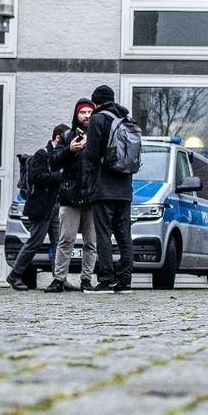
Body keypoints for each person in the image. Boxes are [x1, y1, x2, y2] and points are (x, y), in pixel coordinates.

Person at [77, 85, 138, 294]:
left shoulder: (98, 118)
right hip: (125, 187)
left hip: (103, 186)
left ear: (96, 102)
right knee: (124, 235)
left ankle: (105, 280)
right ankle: (125, 281)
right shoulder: (126, 119)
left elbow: (92, 154)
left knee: (103, 234)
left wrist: (85, 150)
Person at [48, 97, 101, 292]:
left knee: (91, 242)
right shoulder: (67, 135)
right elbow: (53, 162)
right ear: (76, 115)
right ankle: (59, 278)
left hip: (92, 196)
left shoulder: (98, 136)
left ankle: (86, 279)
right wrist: (69, 150)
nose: (87, 116)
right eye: (83, 112)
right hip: (70, 196)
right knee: (66, 239)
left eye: (89, 112)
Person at [10, 122, 69, 291]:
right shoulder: (41, 155)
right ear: (58, 138)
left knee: (58, 243)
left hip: (54, 206)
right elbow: (38, 177)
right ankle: (14, 275)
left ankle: (59, 278)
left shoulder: (58, 156)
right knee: (34, 242)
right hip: (40, 207)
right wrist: (61, 176)